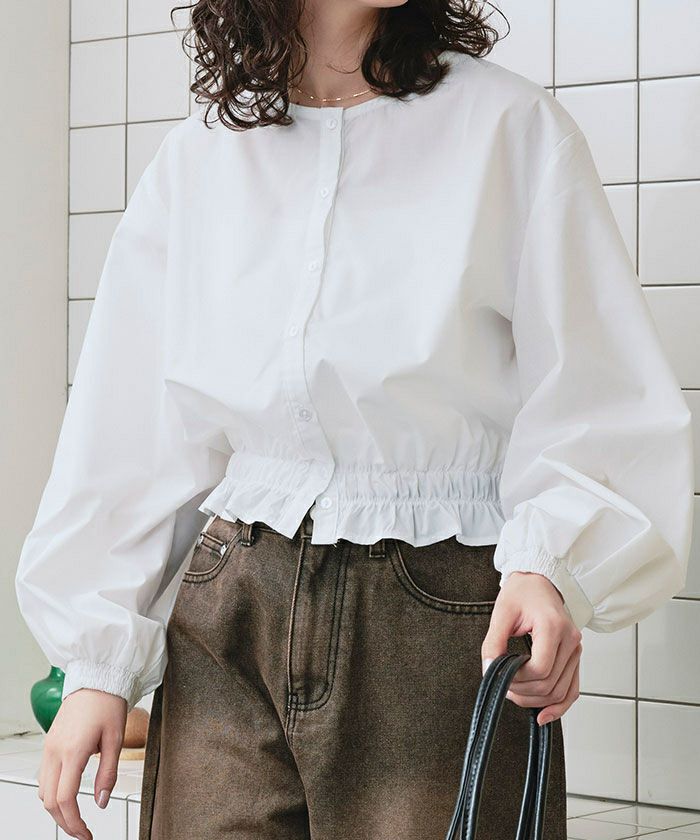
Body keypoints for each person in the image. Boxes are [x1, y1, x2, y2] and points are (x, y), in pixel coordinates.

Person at [15, 1, 694, 838]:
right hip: (231, 607)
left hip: (436, 614)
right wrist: (97, 664)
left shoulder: (508, 128)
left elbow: (597, 390)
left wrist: (549, 567)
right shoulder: (201, 156)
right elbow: (134, 426)